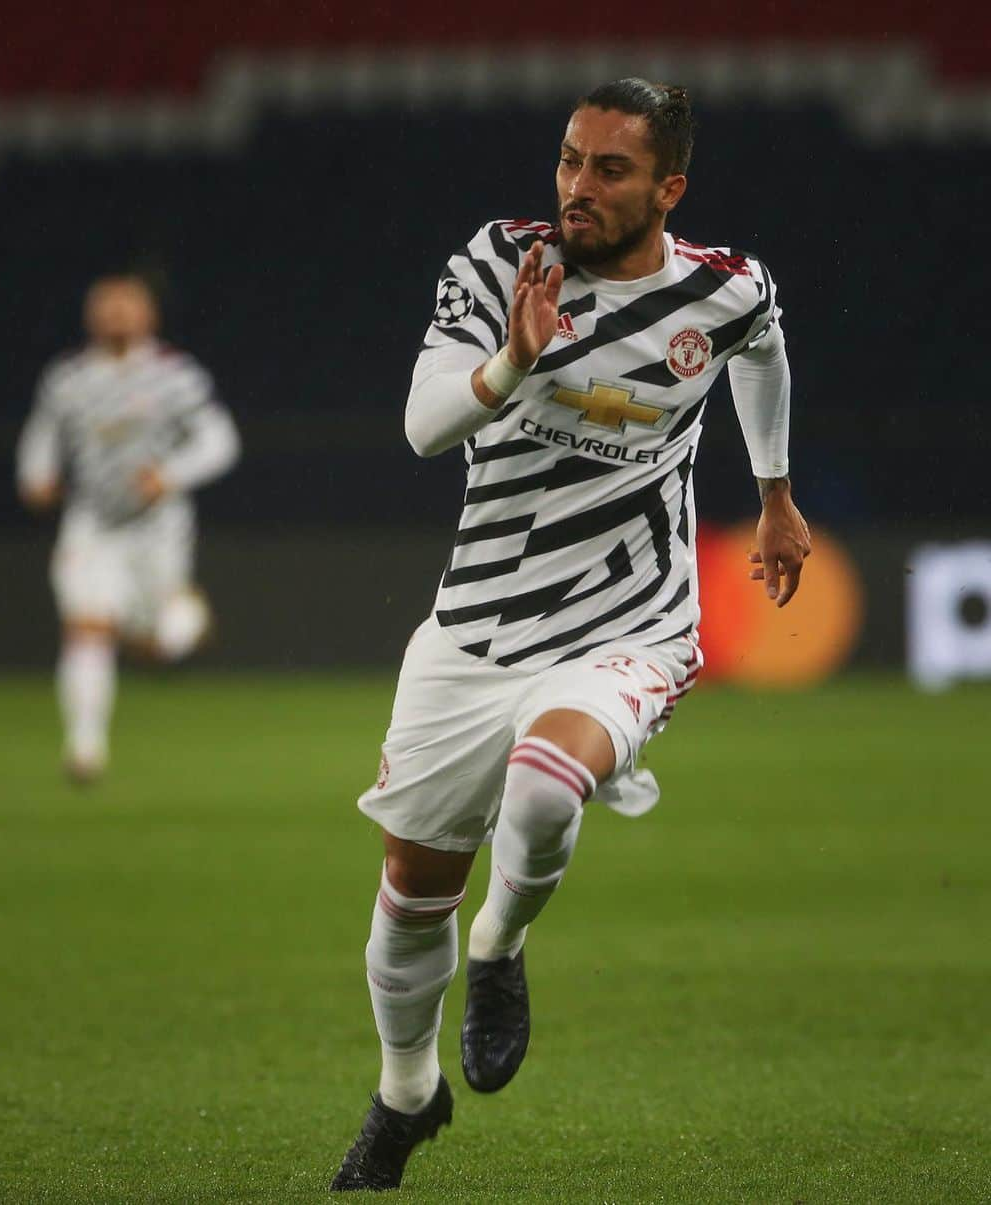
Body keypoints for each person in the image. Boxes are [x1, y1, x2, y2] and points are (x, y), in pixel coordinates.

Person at [330, 78, 811, 1192]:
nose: (577, 187)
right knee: (409, 888)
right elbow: (420, 426)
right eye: (568, 161)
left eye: (609, 169)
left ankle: (500, 945)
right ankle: (407, 1090)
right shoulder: (506, 263)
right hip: (476, 625)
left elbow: (764, 348)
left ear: (668, 188)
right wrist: (513, 360)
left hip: (630, 617)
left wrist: (776, 492)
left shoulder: (723, 290)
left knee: (547, 787)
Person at [16, 275, 240, 782]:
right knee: (87, 625)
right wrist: (36, 477)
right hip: (92, 524)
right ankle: (85, 749)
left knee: (154, 640)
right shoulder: (68, 378)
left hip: (158, 529)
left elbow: (220, 441)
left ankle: (178, 628)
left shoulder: (174, 373)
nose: (116, 314)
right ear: (90, 315)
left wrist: (170, 474)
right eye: (107, 306)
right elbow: (43, 436)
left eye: (127, 305)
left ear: (148, 316)